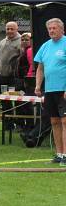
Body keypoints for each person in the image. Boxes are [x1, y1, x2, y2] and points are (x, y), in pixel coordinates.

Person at [33, 18, 66, 164]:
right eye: (49, 29)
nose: (52, 31)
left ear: (61, 29)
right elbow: (40, 68)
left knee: (65, 121)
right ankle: (59, 154)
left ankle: (65, 155)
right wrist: (38, 86)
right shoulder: (45, 46)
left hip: (63, 89)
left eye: (54, 28)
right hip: (50, 90)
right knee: (54, 121)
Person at [0, 21, 22, 131]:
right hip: (2, 76)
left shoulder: (21, 41)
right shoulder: (2, 42)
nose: (9, 31)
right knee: (4, 101)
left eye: (12, 29)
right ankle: (8, 125)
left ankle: (20, 124)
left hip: (14, 78)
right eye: (8, 29)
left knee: (18, 101)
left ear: (17, 29)